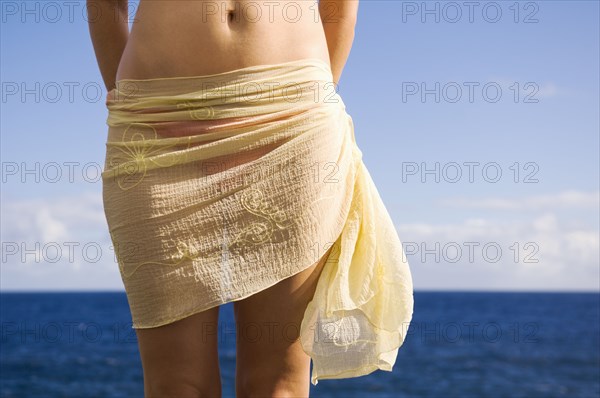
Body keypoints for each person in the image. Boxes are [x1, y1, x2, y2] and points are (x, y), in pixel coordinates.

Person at [88, 1, 413, 397]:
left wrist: (312, 100)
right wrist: (128, 95)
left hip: (292, 119)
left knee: (278, 384)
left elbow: (340, 6)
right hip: (154, 126)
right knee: (176, 386)